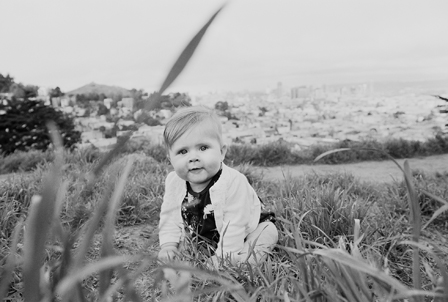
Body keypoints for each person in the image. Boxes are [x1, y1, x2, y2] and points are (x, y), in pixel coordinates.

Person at [158, 106, 278, 267]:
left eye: (203, 148)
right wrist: (168, 244)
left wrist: (224, 257)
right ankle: (208, 248)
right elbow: (169, 216)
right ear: (170, 159)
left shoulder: (234, 182)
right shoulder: (174, 181)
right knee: (182, 248)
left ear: (222, 152)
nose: (193, 157)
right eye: (182, 151)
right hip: (205, 233)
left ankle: (244, 260)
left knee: (267, 234)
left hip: (250, 227)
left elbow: (235, 224)